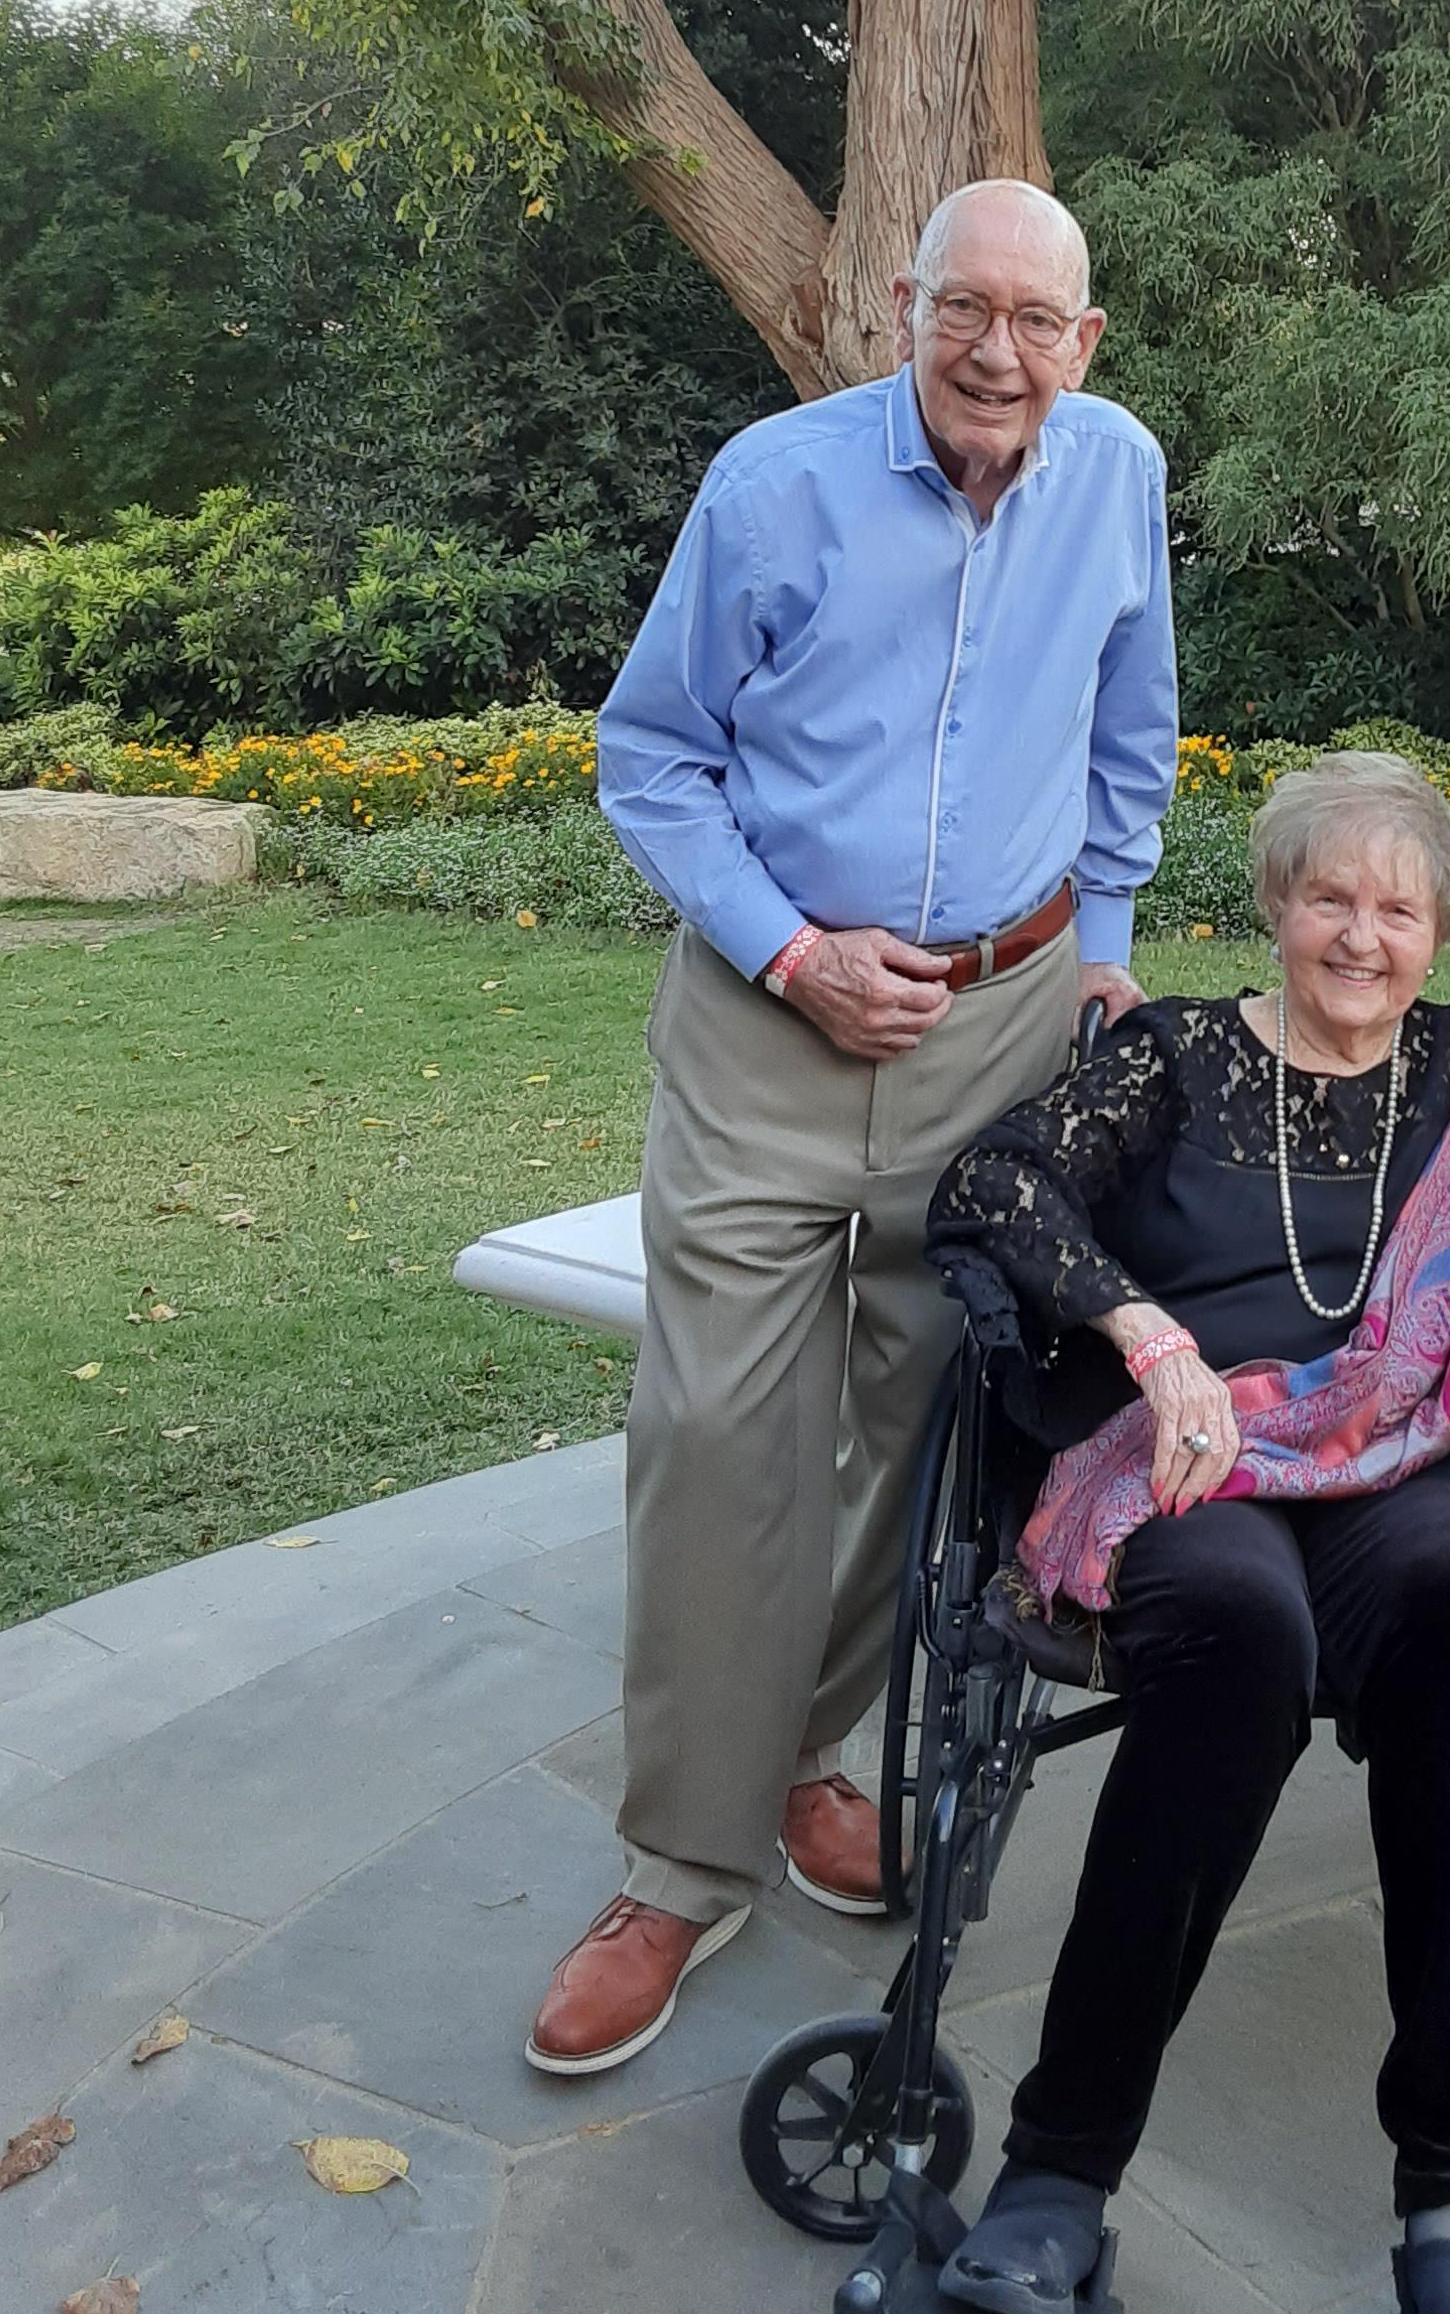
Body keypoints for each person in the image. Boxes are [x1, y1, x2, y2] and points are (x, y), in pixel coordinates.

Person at [525, 179, 1177, 2079]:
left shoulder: (1117, 476)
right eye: (964, 308)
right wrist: (797, 954)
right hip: (770, 1029)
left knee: (919, 1426)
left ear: (1085, 342)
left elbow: (1130, 731)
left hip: (1004, 1030)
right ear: (905, 308)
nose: (997, 351)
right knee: (719, 1426)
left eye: (1036, 321)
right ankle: (679, 1864)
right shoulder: (776, 485)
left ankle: (806, 1756)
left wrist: (1105, 943)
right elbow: (651, 756)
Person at [924, 751, 1450, 2314]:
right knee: (1236, 1634)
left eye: (1400, 911)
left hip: (1426, 1474)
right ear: (1278, 904)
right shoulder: (1176, 1059)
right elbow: (999, 1187)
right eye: (1331, 899)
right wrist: (1147, 1335)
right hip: (1202, 1461)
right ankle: (1058, 2175)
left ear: (1440, 935)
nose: (1363, 936)